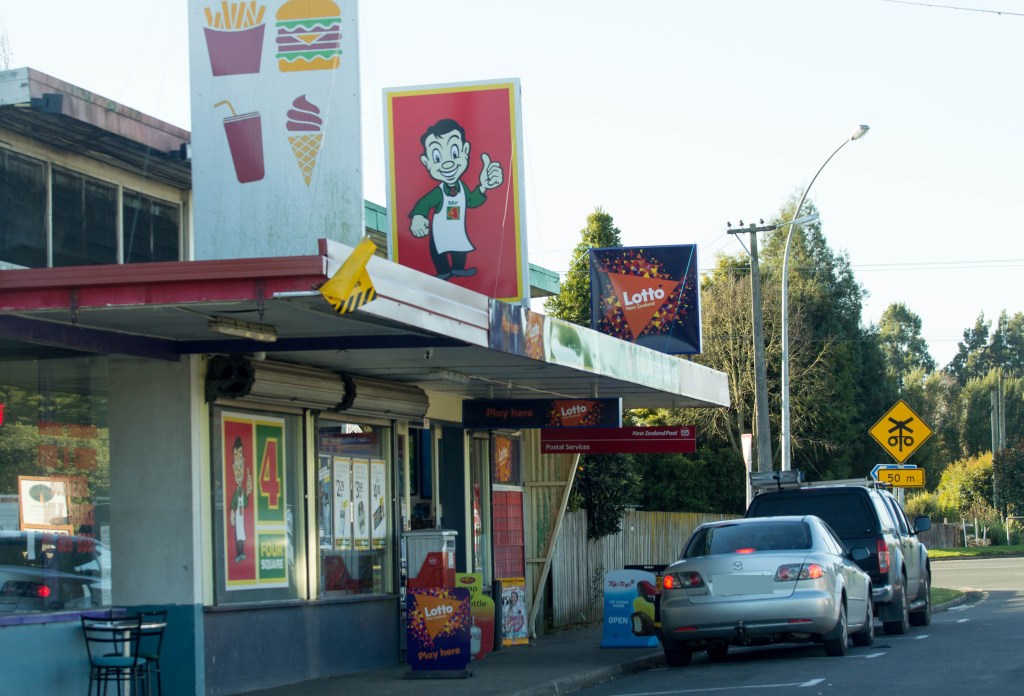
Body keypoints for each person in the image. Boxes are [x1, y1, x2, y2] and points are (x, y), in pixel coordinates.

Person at [408, 118, 503, 279]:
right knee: (439, 250)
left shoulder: (462, 188)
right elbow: (424, 203)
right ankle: (443, 271)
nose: (447, 164)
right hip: (440, 232)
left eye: (454, 153)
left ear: (465, 150)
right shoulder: (438, 192)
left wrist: (483, 186)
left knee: (460, 246)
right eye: (437, 157)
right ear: (426, 162)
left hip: (457, 229)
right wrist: (418, 217)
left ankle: (458, 268)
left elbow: (472, 201)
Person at [229, 436, 252, 563]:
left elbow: (247, 503)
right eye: (236, 466)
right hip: (238, 516)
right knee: (238, 536)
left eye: (241, 465)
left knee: (242, 536)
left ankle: (242, 553)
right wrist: (232, 512)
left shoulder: (243, 491)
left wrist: (248, 493)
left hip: (242, 518)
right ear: (233, 468)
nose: (239, 470)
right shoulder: (236, 492)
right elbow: (233, 503)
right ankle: (238, 554)